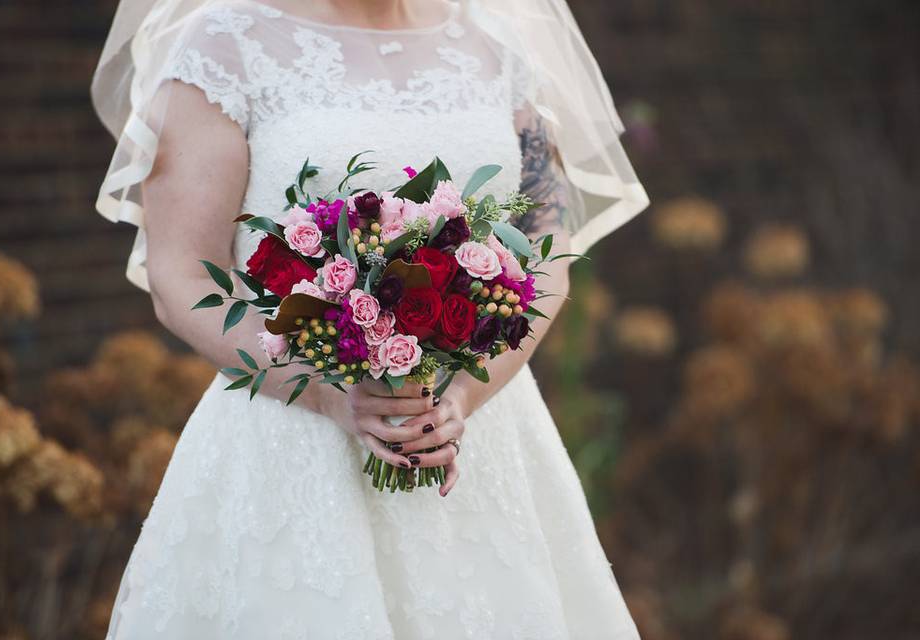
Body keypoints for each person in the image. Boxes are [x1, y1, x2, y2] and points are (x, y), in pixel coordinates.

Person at [91, 0, 649, 637]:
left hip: (481, 438)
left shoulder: (498, 43)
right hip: (294, 437)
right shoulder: (226, 45)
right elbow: (181, 275)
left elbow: (547, 248)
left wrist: (466, 392)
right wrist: (330, 395)